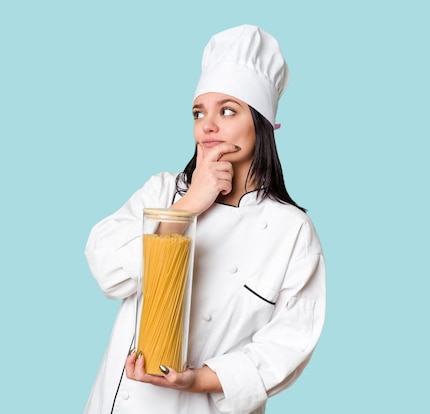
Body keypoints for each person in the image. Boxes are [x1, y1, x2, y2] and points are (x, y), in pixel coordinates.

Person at [84, 24, 326, 414]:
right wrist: (188, 206)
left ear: (262, 125)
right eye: (199, 113)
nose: (207, 126)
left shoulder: (291, 231)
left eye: (227, 111)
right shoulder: (163, 192)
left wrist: (196, 379)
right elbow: (107, 270)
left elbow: (287, 347)